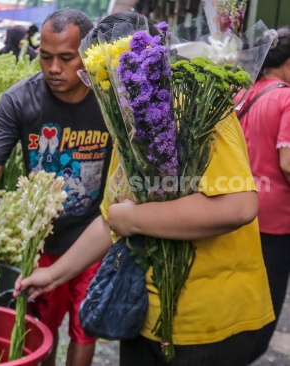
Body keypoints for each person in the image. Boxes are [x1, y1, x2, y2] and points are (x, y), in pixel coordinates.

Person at [14, 12, 275, 366]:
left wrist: (136, 218)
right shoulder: (127, 120)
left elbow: (238, 207)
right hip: (145, 319)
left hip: (211, 327)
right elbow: (111, 218)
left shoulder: (198, 108)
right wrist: (53, 275)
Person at [0, 9, 113, 366]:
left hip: (94, 237)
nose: (53, 68)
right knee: (41, 330)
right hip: (41, 242)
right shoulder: (18, 101)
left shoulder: (112, 102)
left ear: (89, 53)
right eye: (45, 57)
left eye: (66, 58)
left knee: (85, 328)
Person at [237, 27, 290, 363]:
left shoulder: (242, 94)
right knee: (265, 306)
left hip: (239, 214)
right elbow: (288, 163)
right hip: (275, 222)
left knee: (240, 301)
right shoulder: (286, 97)